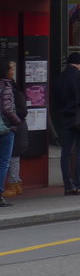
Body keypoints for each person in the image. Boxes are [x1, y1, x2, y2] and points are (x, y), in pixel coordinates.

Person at [51, 52, 80, 195]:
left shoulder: (59, 79)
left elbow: (55, 99)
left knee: (66, 152)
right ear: (79, 64)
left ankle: (68, 186)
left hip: (66, 118)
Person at [2, 60, 28, 198]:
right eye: (11, 69)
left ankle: (13, 184)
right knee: (13, 157)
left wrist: (15, 120)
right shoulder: (14, 87)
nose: (12, 71)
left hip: (13, 126)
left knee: (12, 157)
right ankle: (16, 184)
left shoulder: (10, 88)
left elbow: (16, 110)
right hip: (16, 126)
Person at [0, 61, 21, 208]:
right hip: (5, 128)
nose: (13, 72)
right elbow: (7, 109)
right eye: (11, 69)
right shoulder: (6, 86)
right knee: (3, 162)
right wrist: (17, 121)